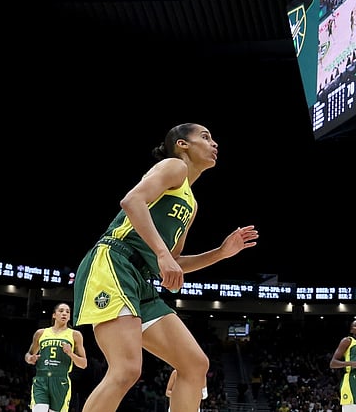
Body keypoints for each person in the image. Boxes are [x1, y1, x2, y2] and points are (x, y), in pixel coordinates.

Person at [72, 123, 260, 412]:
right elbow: (132, 201)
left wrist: (221, 253)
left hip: (142, 279)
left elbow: (174, 262)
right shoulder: (174, 166)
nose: (215, 144)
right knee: (126, 370)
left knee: (195, 365)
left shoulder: (191, 204)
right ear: (183, 145)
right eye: (206, 137)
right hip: (113, 262)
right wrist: (162, 253)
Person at [25, 302, 87, 412]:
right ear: (54, 315)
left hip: (61, 380)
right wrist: (30, 358)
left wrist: (70, 353)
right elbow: (28, 354)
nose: (64, 314)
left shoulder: (75, 335)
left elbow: (83, 364)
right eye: (61, 311)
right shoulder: (41, 333)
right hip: (41, 379)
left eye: (67, 312)